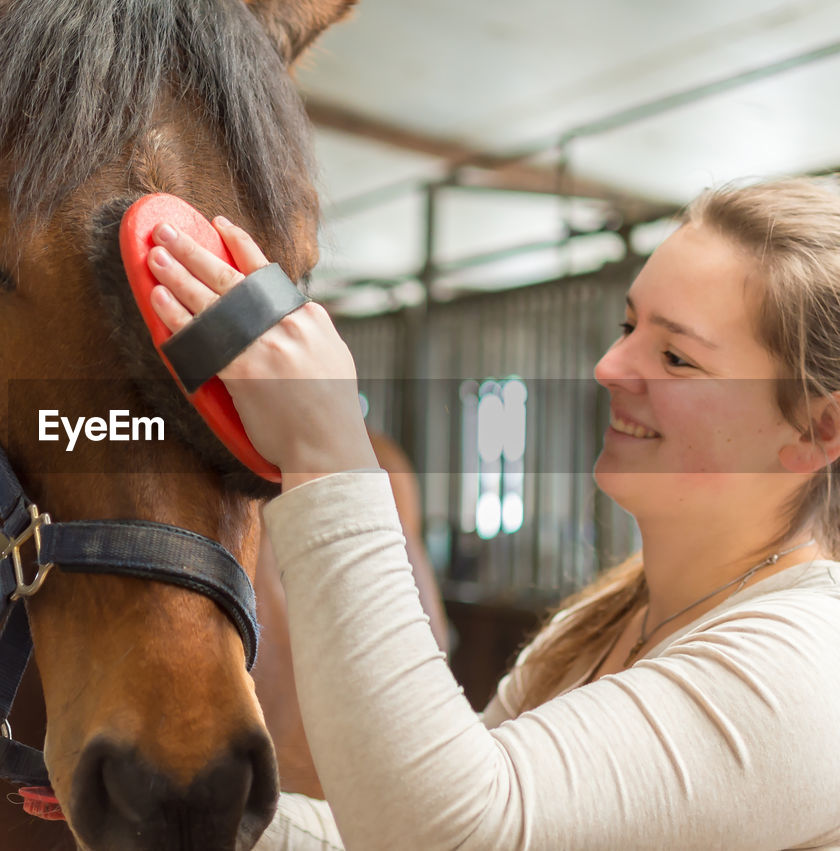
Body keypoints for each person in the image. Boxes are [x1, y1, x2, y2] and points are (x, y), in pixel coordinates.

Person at [144, 176, 840, 849]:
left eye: (677, 356)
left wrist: (324, 441)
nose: (608, 366)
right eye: (627, 325)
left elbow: (450, 833)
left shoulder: (809, 668)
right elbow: (380, 819)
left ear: (816, 431)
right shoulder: (600, 621)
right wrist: (184, 811)